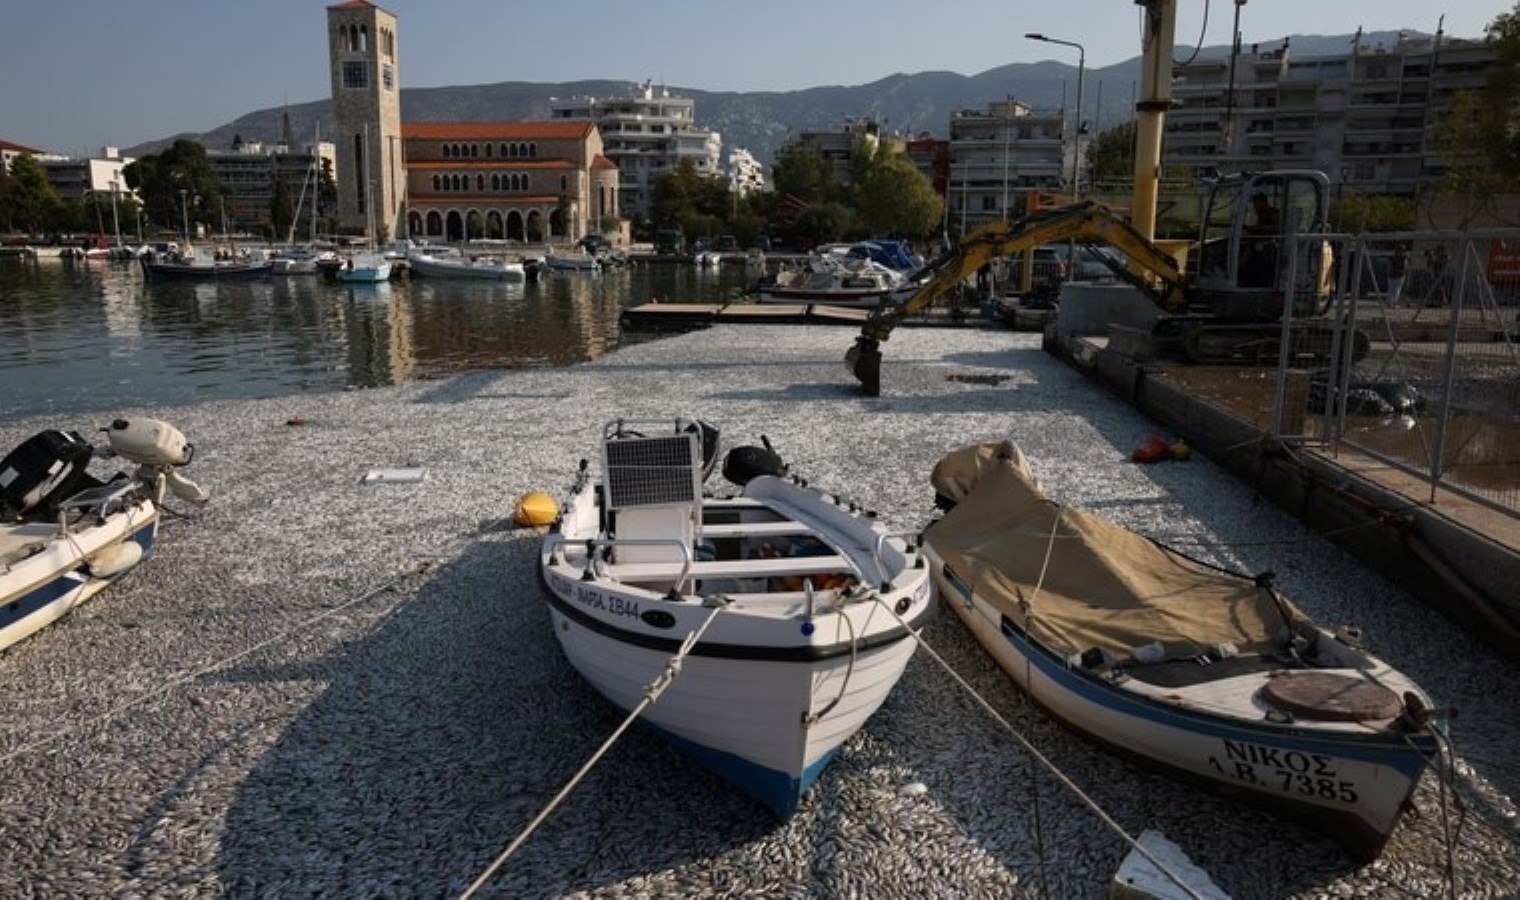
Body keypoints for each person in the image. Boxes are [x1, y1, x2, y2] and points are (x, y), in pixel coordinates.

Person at [1386, 243, 1408, 307]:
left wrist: (1390, 271)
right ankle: (1393, 303)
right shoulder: (1403, 258)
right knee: (1396, 289)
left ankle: (1389, 303)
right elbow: (1405, 266)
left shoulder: (1392, 258)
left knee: (1391, 289)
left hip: (1393, 275)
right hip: (1398, 275)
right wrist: (1404, 271)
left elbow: (1389, 266)